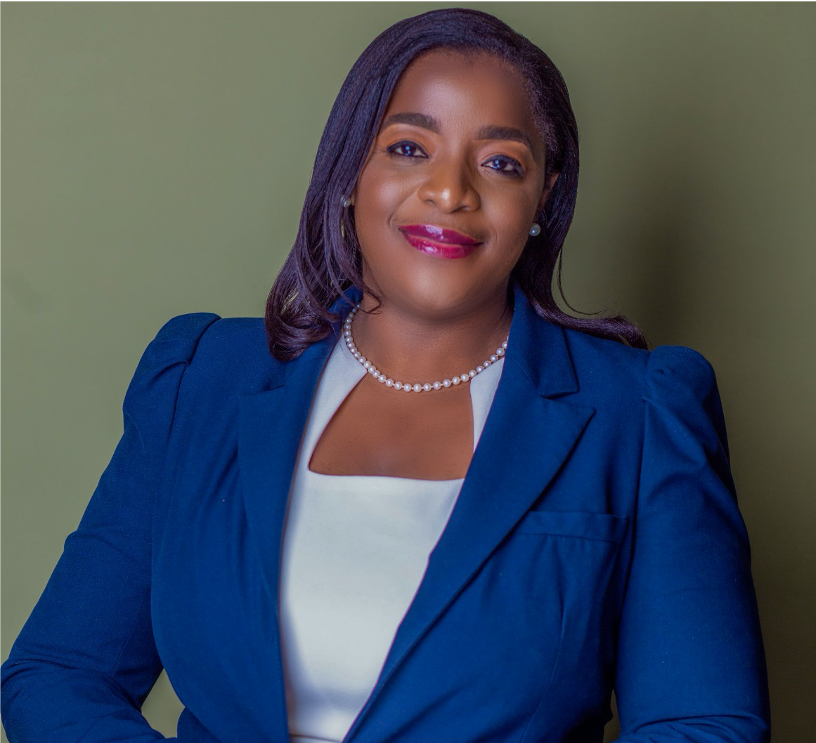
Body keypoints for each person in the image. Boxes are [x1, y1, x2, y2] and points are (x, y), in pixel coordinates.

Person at [0, 7, 770, 743]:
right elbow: (58, 672)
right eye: (408, 147)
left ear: (543, 195)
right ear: (349, 172)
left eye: (501, 163)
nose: (451, 190)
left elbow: (705, 722)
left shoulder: (639, 414)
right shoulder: (200, 380)